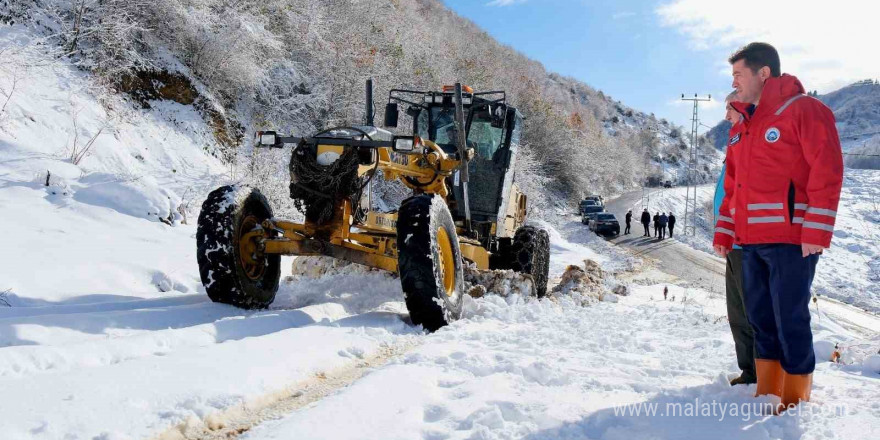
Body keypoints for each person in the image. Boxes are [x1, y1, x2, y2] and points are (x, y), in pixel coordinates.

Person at [713, 43, 843, 411]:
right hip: (749, 242)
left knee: (790, 319)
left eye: (739, 74)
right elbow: (733, 189)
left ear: (763, 73)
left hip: (790, 240)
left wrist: (816, 231)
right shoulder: (742, 127)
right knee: (760, 320)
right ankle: (768, 390)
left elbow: (827, 170)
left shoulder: (804, 110)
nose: (734, 82)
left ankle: (795, 398)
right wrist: (725, 232)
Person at [714, 90, 756, 387]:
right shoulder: (736, 143)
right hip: (733, 243)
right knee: (737, 313)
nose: (726, 115)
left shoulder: (752, 143)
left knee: (752, 314)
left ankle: (760, 375)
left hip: (749, 243)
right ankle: (749, 372)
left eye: (729, 108)